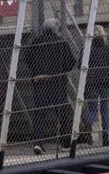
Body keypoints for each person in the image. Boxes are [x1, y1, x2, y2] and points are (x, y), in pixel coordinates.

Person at [25, 18, 76, 154]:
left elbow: (28, 58)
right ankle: (65, 143)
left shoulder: (36, 43)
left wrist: (36, 71)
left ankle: (38, 142)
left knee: (40, 114)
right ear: (56, 29)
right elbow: (71, 61)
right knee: (63, 112)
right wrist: (60, 71)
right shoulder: (61, 43)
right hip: (57, 82)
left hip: (40, 83)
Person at [78, 25, 109, 147]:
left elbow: (80, 65)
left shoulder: (86, 48)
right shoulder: (108, 48)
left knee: (93, 109)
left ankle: (86, 127)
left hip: (91, 82)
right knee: (104, 109)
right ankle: (105, 137)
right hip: (106, 81)